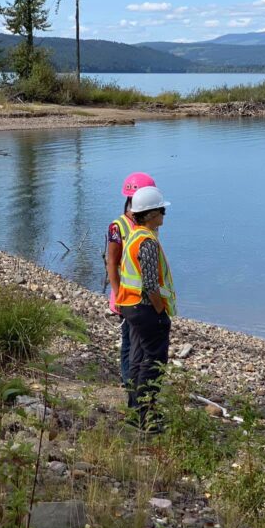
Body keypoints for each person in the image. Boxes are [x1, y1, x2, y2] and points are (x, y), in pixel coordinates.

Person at [115, 186, 175, 432]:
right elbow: (151, 283)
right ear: (150, 214)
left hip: (130, 306)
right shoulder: (147, 242)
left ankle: (135, 412)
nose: (164, 214)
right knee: (153, 362)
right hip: (145, 309)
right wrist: (160, 311)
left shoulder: (134, 234)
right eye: (162, 210)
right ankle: (147, 418)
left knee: (138, 360)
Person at [105, 172, 156, 386]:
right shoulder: (118, 227)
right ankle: (129, 383)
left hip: (146, 298)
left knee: (144, 344)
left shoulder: (148, 224)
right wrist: (119, 295)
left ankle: (140, 382)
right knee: (129, 342)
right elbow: (112, 262)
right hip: (127, 298)